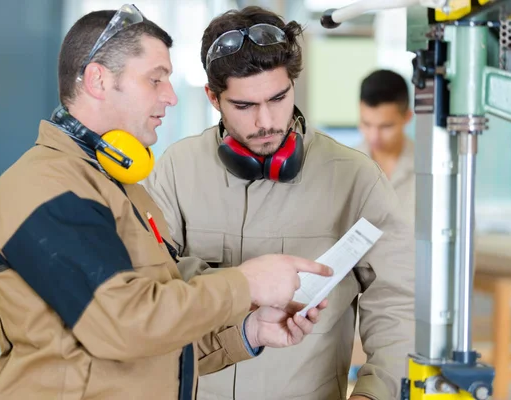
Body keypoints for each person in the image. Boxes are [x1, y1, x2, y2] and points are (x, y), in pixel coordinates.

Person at [0, 5, 333, 399]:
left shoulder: (121, 188)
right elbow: (123, 326)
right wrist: (246, 282)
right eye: (155, 80)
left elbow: (155, 344)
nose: (170, 96)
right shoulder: (43, 186)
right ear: (98, 80)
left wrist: (249, 332)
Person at [143, 6, 415, 400]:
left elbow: (397, 301)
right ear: (213, 98)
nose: (266, 121)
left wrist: (375, 392)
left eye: (278, 97)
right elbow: (148, 289)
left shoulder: (356, 177)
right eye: (244, 106)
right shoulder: (175, 170)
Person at [356, 69, 415, 223]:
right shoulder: (344, 166)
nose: (374, 137)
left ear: (407, 117)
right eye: (366, 124)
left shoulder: (431, 168)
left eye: (386, 126)